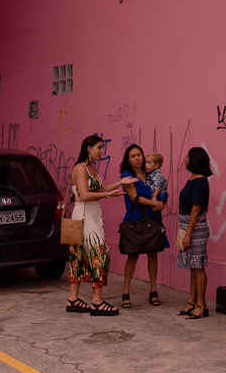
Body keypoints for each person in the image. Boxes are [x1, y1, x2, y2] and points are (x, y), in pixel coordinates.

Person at [67, 134, 132, 316]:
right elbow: (85, 195)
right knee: (100, 255)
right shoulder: (80, 168)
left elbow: (99, 189)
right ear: (89, 148)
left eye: (102, 147)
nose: (102, 151)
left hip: (91, 215)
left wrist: (119, 183)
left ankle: (73, 299)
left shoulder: (91, 167)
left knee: (79, 256)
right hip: (84, 215)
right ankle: (97, 301)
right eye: (99, 147)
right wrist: (109, 195)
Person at [119, 144, 167, 308]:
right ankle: (126, 292)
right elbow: (134, 197)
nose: (137, 158)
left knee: (153, 253)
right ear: (128, 160)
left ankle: (153, 290)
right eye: (133, 156)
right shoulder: (127, 176)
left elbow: (161, 190)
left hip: (152, 217)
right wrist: (154, 203)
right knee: (133, 255)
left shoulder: (151, 173)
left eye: (139, 154)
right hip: (136, 217)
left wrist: (162, 202)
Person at [176, 147, 212, 319]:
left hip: (195, 229)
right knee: (192, 266)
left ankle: (201, 304)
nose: (185, 160)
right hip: (188, 226)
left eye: (188, 157)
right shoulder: (193, 179)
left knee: (198, 266)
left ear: (195, 160)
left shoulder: (199, 181)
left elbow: (196, 209)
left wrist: (188, 234)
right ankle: (192, 301)